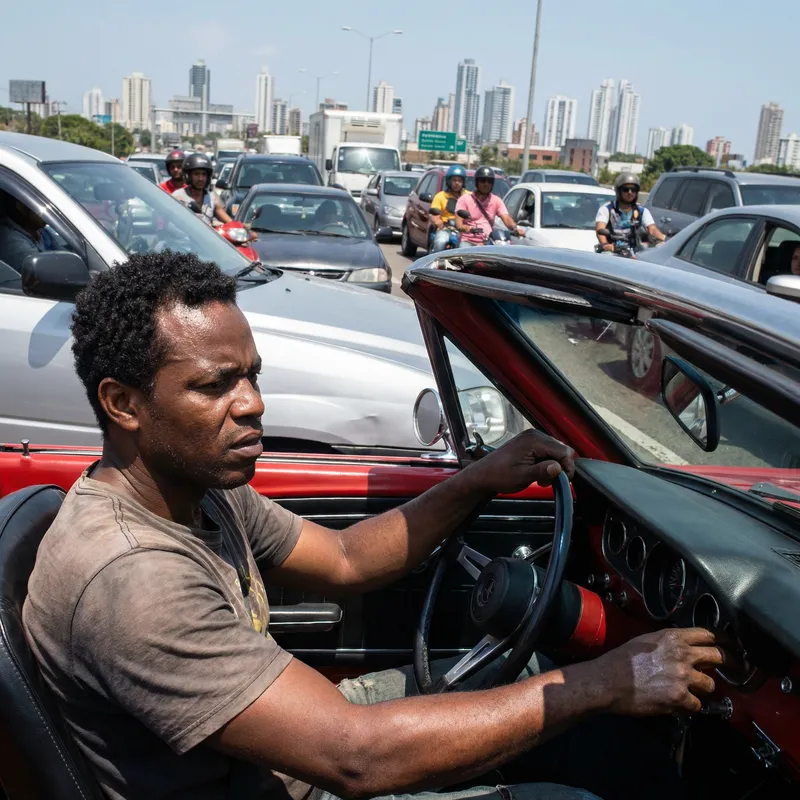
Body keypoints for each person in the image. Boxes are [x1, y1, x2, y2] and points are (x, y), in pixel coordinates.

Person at [23, 252, 725, 800]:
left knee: (550, 681)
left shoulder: (195, 490)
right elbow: (355, 758)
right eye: (215, 385)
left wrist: (477, 480)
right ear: (123, 404)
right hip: (296, 777)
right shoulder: (135, 580)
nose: (252, 404)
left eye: (251, 376)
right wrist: (608, 681)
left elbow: (347, 559)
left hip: (284, 763)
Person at [456, 166, 525, 246]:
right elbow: (459, 224)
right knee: (464, 250)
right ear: (476, 182)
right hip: (468, 241)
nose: (486, 184)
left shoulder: (496, 200)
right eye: (483, 181)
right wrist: (467, 228)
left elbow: (506, 217)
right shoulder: (464, 199)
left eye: (489, 181)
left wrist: (515, 228)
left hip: (489, 241)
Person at [595, 174, 665, 251]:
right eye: (626, 189)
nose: (630, 192)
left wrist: (664, 240)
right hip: (612, 251)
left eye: (633, 190)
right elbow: (600, 229)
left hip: (635, 251)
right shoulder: (607, 209)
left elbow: (652, 228)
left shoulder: (641, 211)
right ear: (618, 191)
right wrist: (605, 244)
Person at [0, 194, 62, 272]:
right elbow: (46, 271)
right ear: (22, 207)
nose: (49, 212)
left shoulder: (42, 232)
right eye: (42, 206)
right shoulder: (11, 241)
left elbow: (63, 254)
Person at [172, 152, 232, 227]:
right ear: (188, 176)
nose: (200, 178)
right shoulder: (177, 197)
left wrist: (240, 227)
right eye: (196, 174)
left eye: (204, 174)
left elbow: (229, 222)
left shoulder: (212, 198)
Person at [429, 165, 470, 252]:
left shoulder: (469, 196)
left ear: (463, 182)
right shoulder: (440, 196)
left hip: (465, 230)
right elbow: (434, 215)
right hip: (446, 229)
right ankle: (437, 259)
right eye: (454, 180)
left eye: (459, 180)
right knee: (440, 242)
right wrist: (437, 221)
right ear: (449, 181)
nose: (457, 183)